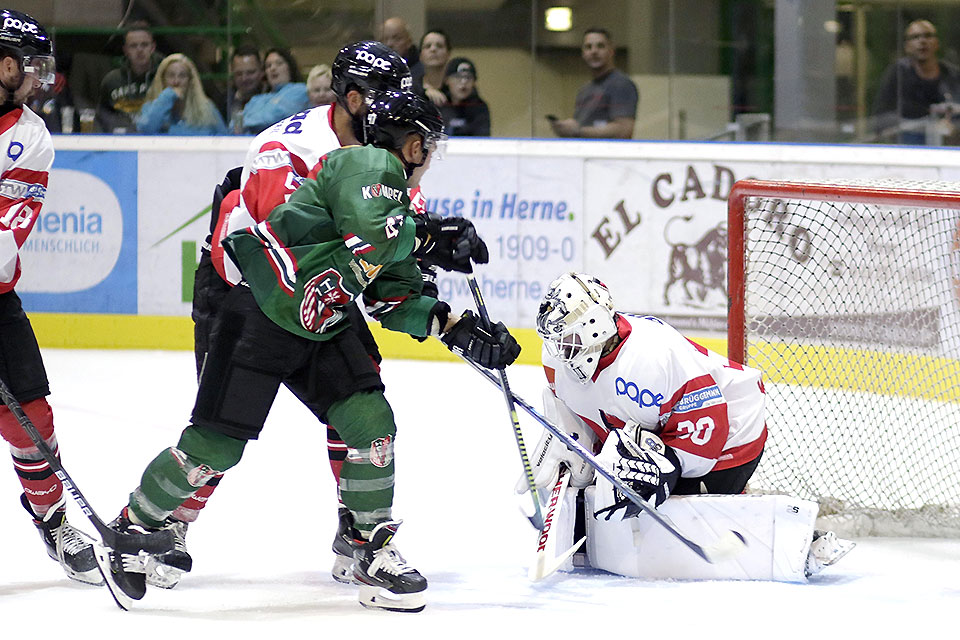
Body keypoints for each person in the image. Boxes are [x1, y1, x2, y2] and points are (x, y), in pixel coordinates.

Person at [94, 90, 520, 614]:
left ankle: (371, 549)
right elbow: (369, 228)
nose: (431, 157)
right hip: (263, 312)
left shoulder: (403, 203)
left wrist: (457, 326)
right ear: (411, 146)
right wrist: (430, 237)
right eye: (429, 146)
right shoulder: (358, 164)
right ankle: (133, 527)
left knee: (370, 420)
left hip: (323, 321)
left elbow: (394, 296)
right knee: (215, 447)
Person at [522, 272, 854, 581]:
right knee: (623, 488)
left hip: (731, 434)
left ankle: (794, 540)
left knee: (683, 510)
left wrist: (669, 469)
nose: (559, 347)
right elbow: (587, 412)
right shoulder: (559, 361)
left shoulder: (652, 357)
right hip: (658, 431)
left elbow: (710, 423)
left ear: (594, 326)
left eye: (567, 336)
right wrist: (579, 449)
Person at [0, 8, 102, 586]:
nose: (42, 79)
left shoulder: (30, 138)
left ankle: (53, 519)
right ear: (6, 64)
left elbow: (5, 237)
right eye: (33, 67)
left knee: (32, 420)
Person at [872, 19, 960, 145]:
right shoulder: (898, 74)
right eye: (915, 37)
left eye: (928, 36)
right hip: (908, 147)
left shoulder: (953, 75)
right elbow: (881, 118)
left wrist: (954, 127)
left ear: (937, 43)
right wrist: (924, 127)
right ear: (907, 46)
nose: (922, 41)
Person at [550, 28, 638, 139]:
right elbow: (583, 125)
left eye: (600, 46)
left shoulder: (621, 85)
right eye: (588, 47)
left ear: (611, 51)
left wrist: (577, 131)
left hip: (607, 154)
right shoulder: (584, 90)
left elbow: (624, 130)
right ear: (583, 53)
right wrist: (566, 127)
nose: (594, 51)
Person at [135, 53, 227, 135]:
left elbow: (225, 140)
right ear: (162, 79)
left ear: (190, 81)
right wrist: (167, 96)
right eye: (171, 75)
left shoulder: (207, 109)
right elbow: (145, 131)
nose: (176, 81)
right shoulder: (150, 108)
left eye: (182, 76)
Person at [97, 21, 161, 133]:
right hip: (121, 140)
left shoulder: (165, 77)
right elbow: (101, 118)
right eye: (133, 46)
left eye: (144, 45)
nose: (139, 50)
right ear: (125, 50)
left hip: (156, 139)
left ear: (153, 47)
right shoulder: (112, 80)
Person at [240, 47, 308, 134]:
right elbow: (235, 125)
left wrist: (245, 123)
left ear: (289, 67)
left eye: (279, 63)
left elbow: (273, 117)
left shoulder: (300, 90)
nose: (273, 68)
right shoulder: (256, 99)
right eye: (268, 66)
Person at [440, 57, 490, 136]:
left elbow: (482, 139)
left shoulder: (480, 107)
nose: (463, 82)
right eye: (457, 77)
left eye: (468, 77)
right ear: (447, 80)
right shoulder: (438, 104)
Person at [226, 44, 267, 134]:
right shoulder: (224, 101)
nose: (244, 78)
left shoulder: (274, 96)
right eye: (239, 73)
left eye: (250, 72)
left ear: (262, 71)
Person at [379, 16, 423, 92]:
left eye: (396, 38)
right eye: (385, 39)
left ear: (409, 42)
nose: (389, 44)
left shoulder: (422, 71)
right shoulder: (375, 71)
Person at [419, 30, 451, 106]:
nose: (433, 49)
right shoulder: (412, 89)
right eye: (428, 46)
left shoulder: (456, 88)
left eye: (439, 46)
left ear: (448, 53)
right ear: (420, 55)